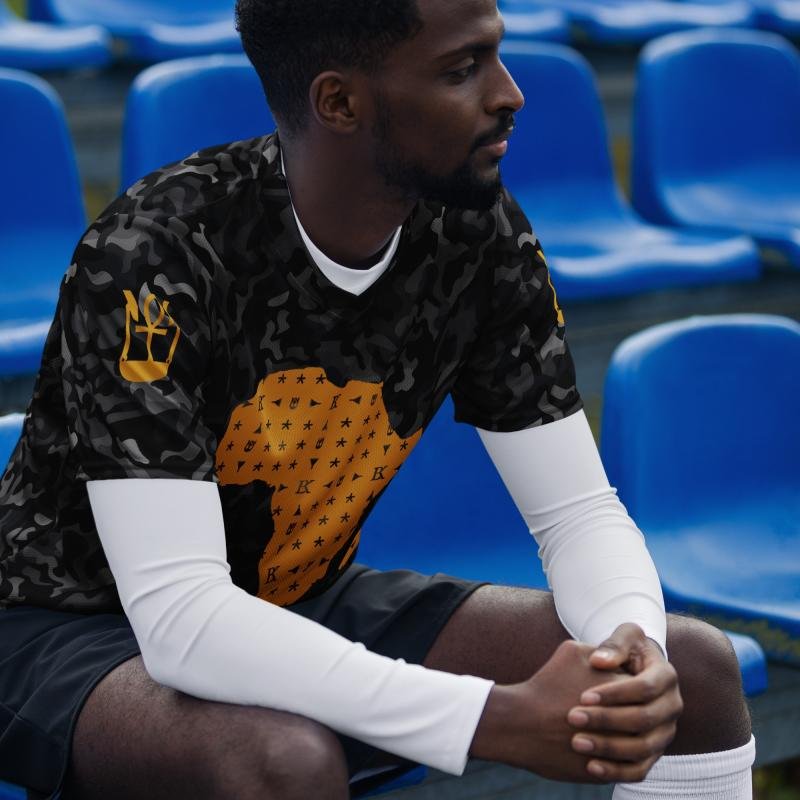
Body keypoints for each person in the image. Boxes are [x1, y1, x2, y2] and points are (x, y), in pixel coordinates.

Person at [0, 0, 754, 798]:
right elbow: (181, 617)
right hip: (66, 629)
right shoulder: (154, 253)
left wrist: (632, 649)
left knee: (691, 668)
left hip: (294, 596)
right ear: (340, 102)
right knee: (284, 763)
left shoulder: (475, 233)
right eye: (462, 69)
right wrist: (491, 718)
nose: (510, 93)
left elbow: (578, 514)